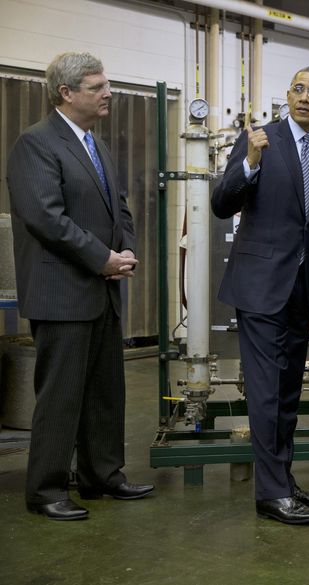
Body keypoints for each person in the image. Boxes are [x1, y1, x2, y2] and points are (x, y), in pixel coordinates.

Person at [6, 52, 154, 521]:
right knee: (62, 396)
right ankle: (46, 489)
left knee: (105, 392)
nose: (108, 92)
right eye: (97, 86)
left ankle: (102, 475)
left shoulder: (95, 143)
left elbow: (120, 207)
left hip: (102, 290)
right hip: (63, 292)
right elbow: (45, 218)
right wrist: (102, 258)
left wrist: (124, 251)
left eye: (107, 83)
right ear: (66, 93)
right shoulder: (37, 144)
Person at [212, 66, 309, 525]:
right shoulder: (259, 139)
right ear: (288, 93)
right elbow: (221, 203)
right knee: (265, 393)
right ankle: (269, 494)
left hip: (301, 292)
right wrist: (248, 162)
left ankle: (283, 480)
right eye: (298, 89)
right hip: (260, 288)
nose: (305, 97)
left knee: (288, 394)